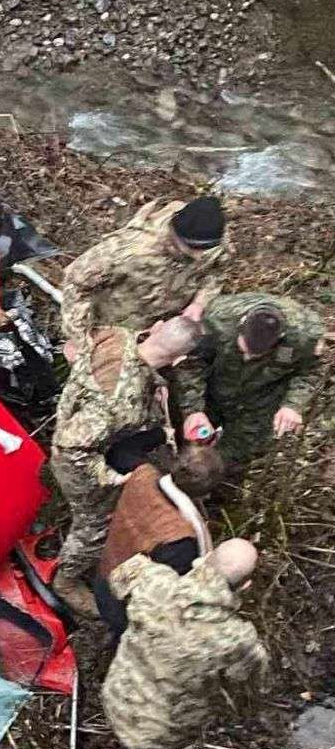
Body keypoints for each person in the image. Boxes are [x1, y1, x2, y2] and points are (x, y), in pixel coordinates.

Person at [89, 538, 268, 749]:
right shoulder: (237, 639)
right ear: (247, 585)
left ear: (207, 557)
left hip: (118, 694)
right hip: (159, 732)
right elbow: (248, 687)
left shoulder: (154, 579)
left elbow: (115, 581)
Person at [50, 315, 204, 617]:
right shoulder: (120, 404)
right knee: (94, 522)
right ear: (179, 358)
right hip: (76, 458)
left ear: (157, 328)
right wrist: (110, 477)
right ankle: (65, 580)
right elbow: (71, 445)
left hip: (76, 415)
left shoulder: (117, 334)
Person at [173, 293, 325, 468]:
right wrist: (193, 409)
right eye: (243, 349)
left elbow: (310, 372)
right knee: (186, 440)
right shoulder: (218, 320)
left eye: (256, 355)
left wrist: (293, 405)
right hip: (212, 389)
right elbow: (192, 364)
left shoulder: (304, 337)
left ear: (281, 337)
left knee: (229, 460)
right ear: (240, 325)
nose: (247, 357)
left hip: (259, 403)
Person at [93, 444, 226, 637]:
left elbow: (121, 452)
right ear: (206, 494)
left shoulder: (143, 474)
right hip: (125, 610)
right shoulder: (180, 539)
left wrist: (162, 434)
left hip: (103, 579)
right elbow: (176, 597)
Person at [60, 195, 228, 348]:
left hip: (161, 330)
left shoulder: (211, 238)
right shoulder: (128, 250)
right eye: (193, 249)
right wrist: (81, 342)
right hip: (110, 330)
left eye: (206, 249)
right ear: (175, 236)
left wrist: (199, 302)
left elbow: (217, 271)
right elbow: (75, 286)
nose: (200, 256)